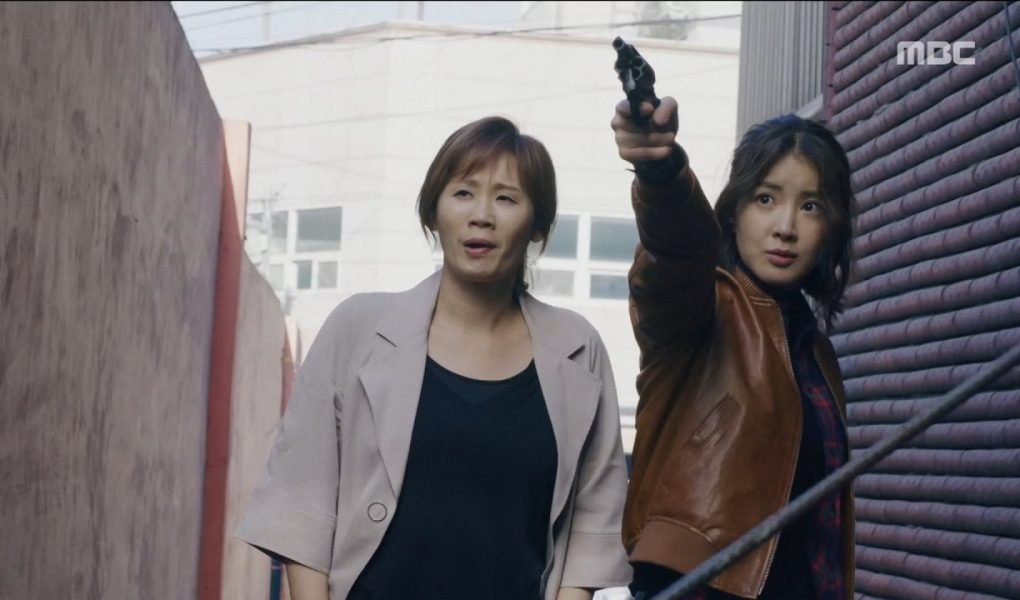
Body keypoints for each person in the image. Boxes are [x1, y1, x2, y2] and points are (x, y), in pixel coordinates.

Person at [237, 116, 633, 600]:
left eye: (506, 198)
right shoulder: (357, 328)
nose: (481, 215)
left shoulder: (578, 349)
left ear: (538, 226)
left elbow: (595, 521)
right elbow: (301, 498)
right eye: (463, 192)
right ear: (432, 212)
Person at [611, 97, 855, 600]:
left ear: (831, 226)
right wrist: (661, 173)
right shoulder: (701, 306)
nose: (785, 226)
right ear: (735, 210)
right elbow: (675, 250)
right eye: (766, 198)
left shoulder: (817, 355)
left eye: (810, 206)